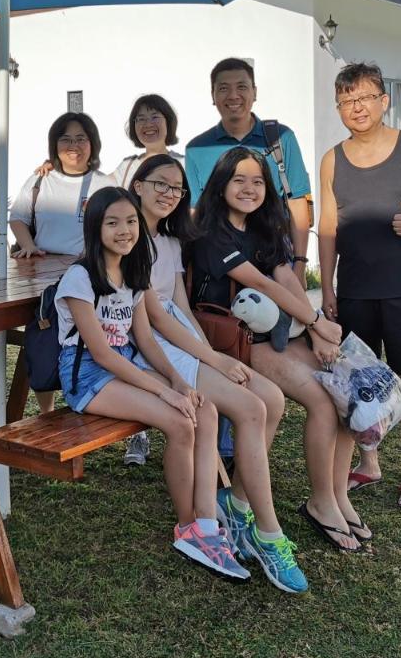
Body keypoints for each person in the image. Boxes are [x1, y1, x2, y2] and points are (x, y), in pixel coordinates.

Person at [130, 154, 307, 592]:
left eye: (177, 188)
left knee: (273, 399)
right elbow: (153, 316)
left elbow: (180, 305)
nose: (170, 194)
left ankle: (240, 507)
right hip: (148, 347)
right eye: (160, 185)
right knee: (249, 408)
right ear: (137, 186)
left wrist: (208, 350)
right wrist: (213, 359)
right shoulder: (129, 238)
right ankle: (269, 534)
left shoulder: (169, 241)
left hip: (181, 339)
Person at [54, 187, 248, 581]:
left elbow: (142, 339)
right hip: (88, 374)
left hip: (125, 364)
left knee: (204, 409)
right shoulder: (80, 277)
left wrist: (177, 379)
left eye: (130, 222)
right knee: (179, 421)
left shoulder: (132, 274)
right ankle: (187, 529)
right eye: (113, 223)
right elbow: (102, 354)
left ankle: (207, 526)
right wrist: (162, 390)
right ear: (96, 228)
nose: (124, 230)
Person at [190, 147, 368, 552]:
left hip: (279, 333)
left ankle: (338, 496)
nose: (249, 188)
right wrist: (319, 323)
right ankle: (320, 502)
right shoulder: (212, 233)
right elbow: (262, 284)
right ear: (220, 185)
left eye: (257, 181)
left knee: (342, 395)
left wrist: (316, 331)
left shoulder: (262, 228)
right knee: (322, 403)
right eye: (239, 179)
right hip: (236, 339)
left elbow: (284, 277)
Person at [318, 62, 401, 510]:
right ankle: (369, 461)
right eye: (347, 101)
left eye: (364, 98)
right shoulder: (332, 159)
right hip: (354, 286)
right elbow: (328, 226)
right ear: (339, 108)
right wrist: (328, 288)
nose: (356, 107)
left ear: (384, 101)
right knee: (357, 381)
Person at [10, 112, 115, 413]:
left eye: (81, 138)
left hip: (88, 274)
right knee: (46, 338)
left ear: (92, 144)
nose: (73, 145)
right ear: (54, 144)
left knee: (94, 341)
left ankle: (94, 398)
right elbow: (17, 218)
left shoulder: (104, 183)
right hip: (42, 273)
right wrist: (29, 245)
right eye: (65, 138)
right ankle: (47, 411)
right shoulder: (40, 180)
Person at [184, 58, 314, 284]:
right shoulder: (197, 148)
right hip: (220, 266)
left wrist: (300, 265)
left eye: (242, 87)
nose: (233, 95)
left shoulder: (281, 138)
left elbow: (296, 202)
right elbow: (195, 212)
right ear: (213, 96)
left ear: (254, 93)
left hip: (274, 260)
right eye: (223, 88)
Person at [112, 94, 185, 189]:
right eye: (141, 119)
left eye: (154, 117)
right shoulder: (127, 167)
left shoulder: (184, 164)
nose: (148, 124)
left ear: (168, 122)